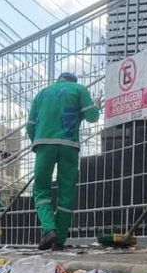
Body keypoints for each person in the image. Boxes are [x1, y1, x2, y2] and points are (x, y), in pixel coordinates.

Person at [26, 72, 99, 251]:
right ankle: (59, 239)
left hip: (44, 144)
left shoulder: (41, 94)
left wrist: (36, 141)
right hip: (69, 145)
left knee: (41, 189)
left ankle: (49, 228)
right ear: (74, 81)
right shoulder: (79, 89)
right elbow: (92, 116)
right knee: (66, 192)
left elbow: (30, 125)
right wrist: (96, 106)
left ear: (58, 79)